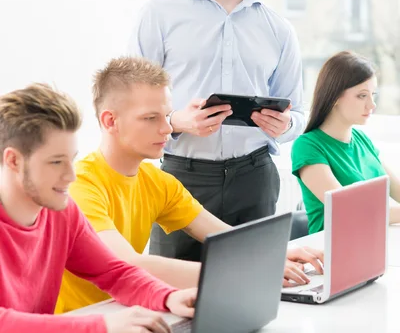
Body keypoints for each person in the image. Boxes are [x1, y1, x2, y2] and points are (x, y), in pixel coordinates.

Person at [57, 56, 323, 312]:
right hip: (80, 326)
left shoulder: (158, 183)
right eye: (151, 118)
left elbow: (228, 237)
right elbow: (129, 265)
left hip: (125, 313)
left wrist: (281, 252)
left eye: (167, 115)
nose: (166, 128)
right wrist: (250, 268)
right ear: (110, 121)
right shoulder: (81, 185)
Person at [128, 0, 304, 261]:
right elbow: (130, 105)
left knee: (251, 290)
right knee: (171, 296)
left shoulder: (279, 29)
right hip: (180, 178)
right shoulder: (159, 15)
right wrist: (177, 121)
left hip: (254, 179)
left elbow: (298, 115)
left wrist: (283, 123)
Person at [0, 82, 197, 333]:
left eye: (72, 159)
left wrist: (168, 297)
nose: (70, 176)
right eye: (56, 162)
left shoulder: (62, 212)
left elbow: (114, 273)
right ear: (13, 161)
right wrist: (101, 326)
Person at [291, 51, 400, 234]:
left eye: (373, 95)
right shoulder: (308, 146)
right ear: (334, 97)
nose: (372, 104)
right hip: (331, 251)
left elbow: (396, 188)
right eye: (362, 96)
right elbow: (348, 209)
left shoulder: (361, 140)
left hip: (372, 240)